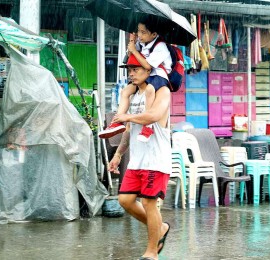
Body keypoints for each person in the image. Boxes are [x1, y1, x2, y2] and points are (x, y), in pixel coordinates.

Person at [108, 53, 171, 260]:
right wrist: (118, 154)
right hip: (137, 161)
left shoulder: (162, 92)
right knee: (125, 200)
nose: (131, 73)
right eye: (129, 70)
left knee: (149, 203)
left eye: (136, 69)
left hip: (156, 160)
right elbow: (129, 129)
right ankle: (159, 227)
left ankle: (151, 252)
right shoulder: (133, 96)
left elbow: (152, 116)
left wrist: (127, 117)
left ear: (148, 69)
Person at [98, 17, 172, 143]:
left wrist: (133, 50)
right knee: (125, 91)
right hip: (147, 75)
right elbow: (133, 59)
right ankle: (117, 122)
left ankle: (148, 126)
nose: (140, 35)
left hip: (158, 75)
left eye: (143, 32)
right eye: (139, 31)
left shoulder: (161, 46)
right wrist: (131, 43)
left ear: (153, 34)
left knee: (149, 89)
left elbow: (148, 66)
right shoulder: (141, 43)